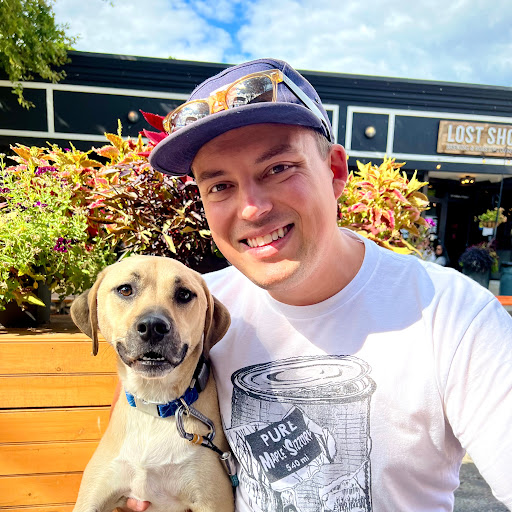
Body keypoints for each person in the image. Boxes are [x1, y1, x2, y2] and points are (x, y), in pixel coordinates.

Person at [122, 58, 512, 512]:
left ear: (335, 171)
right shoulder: (195, 310)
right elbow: (133, 425)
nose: (251, 209)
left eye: (278, 168)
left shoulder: (452, 315)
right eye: (220, 186)